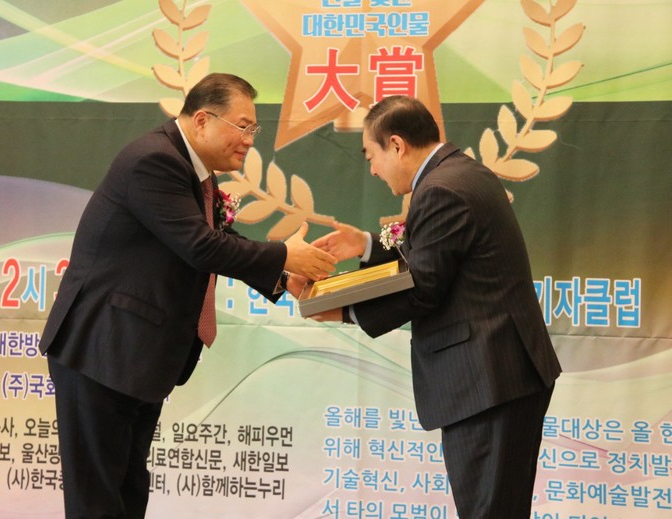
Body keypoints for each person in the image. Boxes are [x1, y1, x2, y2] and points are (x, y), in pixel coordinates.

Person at [38, 73, 336, 519]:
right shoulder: (154, 161)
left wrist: (283, 276)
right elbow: (200, 246)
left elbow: (216, 237)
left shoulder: (193, 170)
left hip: (133, 354)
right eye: (243, 127)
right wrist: (284, 254)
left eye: (253, 129)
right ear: (202, 120)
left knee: (128, 492)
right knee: (97, 500)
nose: (249, 140)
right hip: (101, 348)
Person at [309, 95, 562, 518]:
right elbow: (430, 258)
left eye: (371, 156)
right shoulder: (460, 173)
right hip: (501, 374)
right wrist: (366, 245)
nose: (372, 169)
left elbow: (421, 287)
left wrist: (341, 310)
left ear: (396, 145)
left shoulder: (440, 189)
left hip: (490, 380)